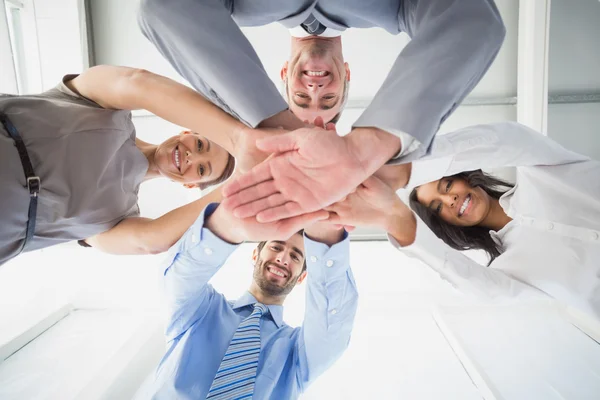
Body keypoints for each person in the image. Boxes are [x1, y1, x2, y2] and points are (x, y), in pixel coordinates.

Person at [137, 0, 506, 219]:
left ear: (283, 76)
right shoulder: (400, 7)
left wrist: (273, 127)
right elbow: (475, 20)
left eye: (301, 99)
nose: (315, 89)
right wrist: (373, 142)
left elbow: (163, 8)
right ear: (346, 76)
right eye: (329, 99)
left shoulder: (235, 5)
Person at [0, 64, 286, 265]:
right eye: (200, 145)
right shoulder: (101, 105)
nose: (191, 157)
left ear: (190, 184)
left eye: (201, 169)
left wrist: (242, 182)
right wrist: (241, 139)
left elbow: (151, 242)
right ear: (188, 132)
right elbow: (137, 82)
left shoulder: (118, 218)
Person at [325, 122, 600, 319]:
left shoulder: (541, 171)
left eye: (446, 188)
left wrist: (406, 171)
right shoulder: (509, 269)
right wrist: (399, 221)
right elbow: (480, 288)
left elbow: (510, 139)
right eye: (438, 207)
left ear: (464, 176)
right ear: (446, 225)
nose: (450, 200)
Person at [133, 197, 357, 399]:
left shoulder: (297, 352)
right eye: (276, 246)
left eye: (295, 256)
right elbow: (179, 277)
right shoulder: (201, 309)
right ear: (255, 254)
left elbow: (332, 331)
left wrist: (323, 223)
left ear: (302, 277)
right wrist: (231, 224)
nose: (283, 258)